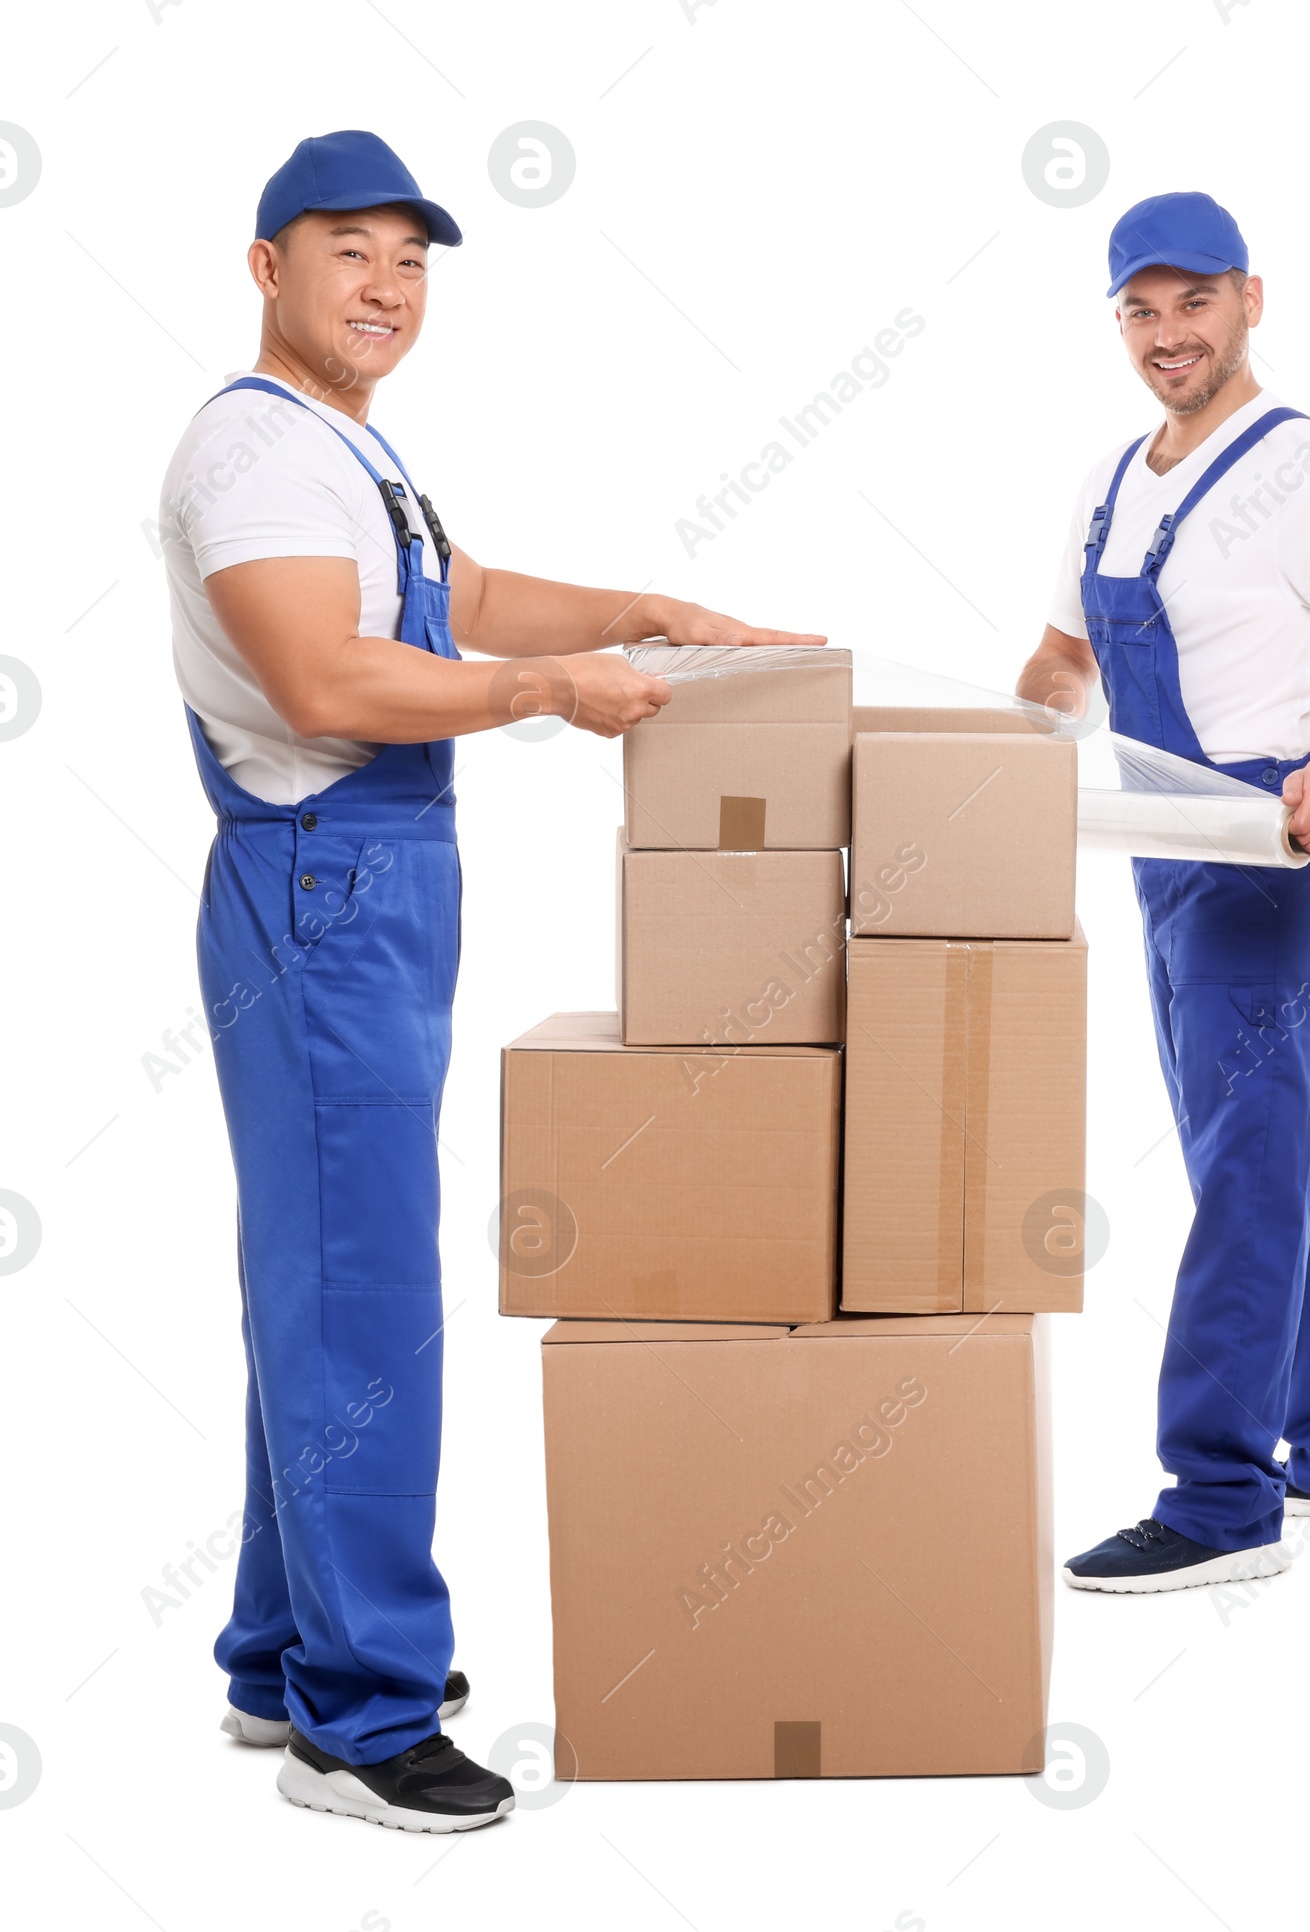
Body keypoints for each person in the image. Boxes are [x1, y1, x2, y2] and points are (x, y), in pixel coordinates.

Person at [161, 129, 824, 1826]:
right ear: (266, 268)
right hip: (323, 885)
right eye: (348, 253)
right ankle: (363, 1724)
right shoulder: (254, 453)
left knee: (324, 1277)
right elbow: (322, 676)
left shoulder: (344, 450)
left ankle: (282, 1650)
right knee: (367, 1295)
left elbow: (448, 600)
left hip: (371, 887)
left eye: (412, 259)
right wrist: (550, 691)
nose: (385, 287)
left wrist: (645, 608)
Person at [1017, 191, 1310, 1594]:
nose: (1166, 333)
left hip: (1270, 860)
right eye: (1139, 310)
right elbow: (1065, 663)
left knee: (1249, 1169)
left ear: (1250, 300)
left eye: (1193, 302)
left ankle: (1218, 1497)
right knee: (1258, 1154)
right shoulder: (1105, 478)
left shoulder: (1307, 474)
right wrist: (995, 747)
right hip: (1155, 858)